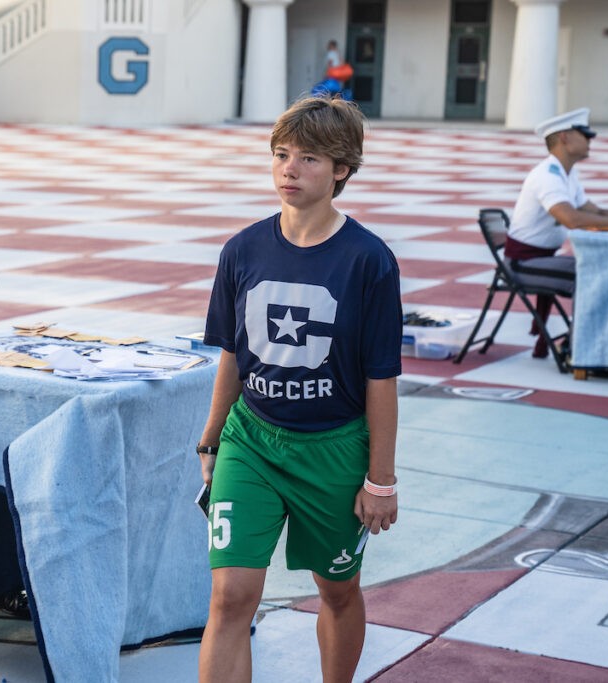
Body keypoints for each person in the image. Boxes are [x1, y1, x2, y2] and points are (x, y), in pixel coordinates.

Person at [196, 95, 402, 683]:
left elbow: (380, 378)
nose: (289, 169)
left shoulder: (369, 260)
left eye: (310, 158)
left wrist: (380, 479)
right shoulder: (243, 249)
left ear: (342, 169)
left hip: (334, 450)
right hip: (253, 441)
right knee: (231, 594)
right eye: (282, 154)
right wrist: (212, 441)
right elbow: (232, 355)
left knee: (337, 591)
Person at [506, 107, 608, 358]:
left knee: (602, 271)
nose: (591, 140)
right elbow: (573, 219)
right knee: (594, 274)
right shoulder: (547, 176)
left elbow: (595, 212)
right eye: (585, 134)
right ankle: (581, 348)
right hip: (522, 264)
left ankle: (598, 344)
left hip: (542, 258)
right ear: (564, 138)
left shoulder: (566, 174)